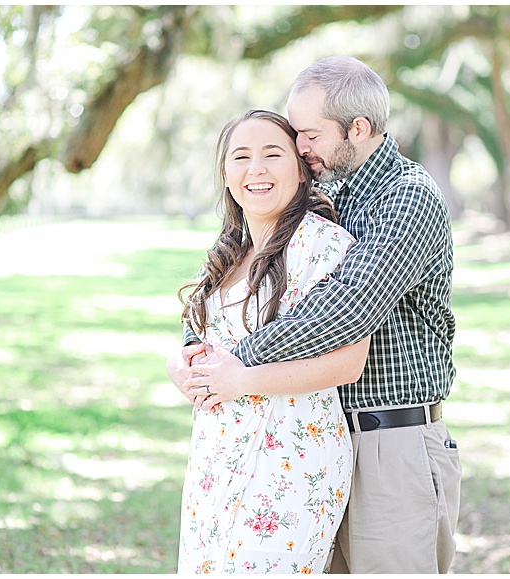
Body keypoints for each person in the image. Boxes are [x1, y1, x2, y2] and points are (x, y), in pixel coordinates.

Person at [170, 56, 462, 574]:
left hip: (387, 442)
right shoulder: (335, 196)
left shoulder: (408, 198)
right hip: (313, 438)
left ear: (359, 128)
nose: (300, 149)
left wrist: (235, 363)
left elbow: (345, 309)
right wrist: (195, 358)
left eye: (308, 135)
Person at [173, 109, 371, 574]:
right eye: (241, 157)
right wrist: (178, 368)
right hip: (214, 460)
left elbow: (347, 364)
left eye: (272, 155)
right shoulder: (228, 255)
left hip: (289, 461)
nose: (255, 168)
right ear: (226, 174)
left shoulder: (323, 246)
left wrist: (242, 381)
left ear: (301, 170)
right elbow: (190, 344)